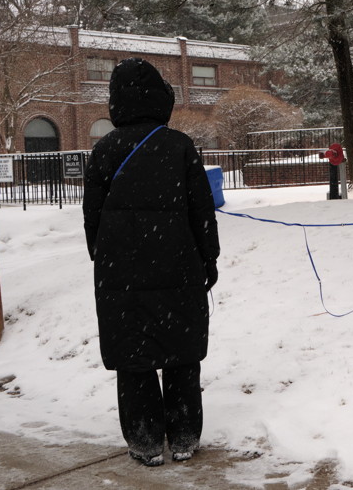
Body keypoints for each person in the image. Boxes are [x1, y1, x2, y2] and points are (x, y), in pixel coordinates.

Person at [83, 57, 220, 467]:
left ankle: (144, 440)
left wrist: (104, 257)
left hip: (121, 273)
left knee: (134, 357)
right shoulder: (179, 146)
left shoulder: (105, 149)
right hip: (178, 267)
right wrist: (207, 258)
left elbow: (92, 217)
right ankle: (182, 435)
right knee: (181, 353)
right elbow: (203, 212)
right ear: (162, 98)